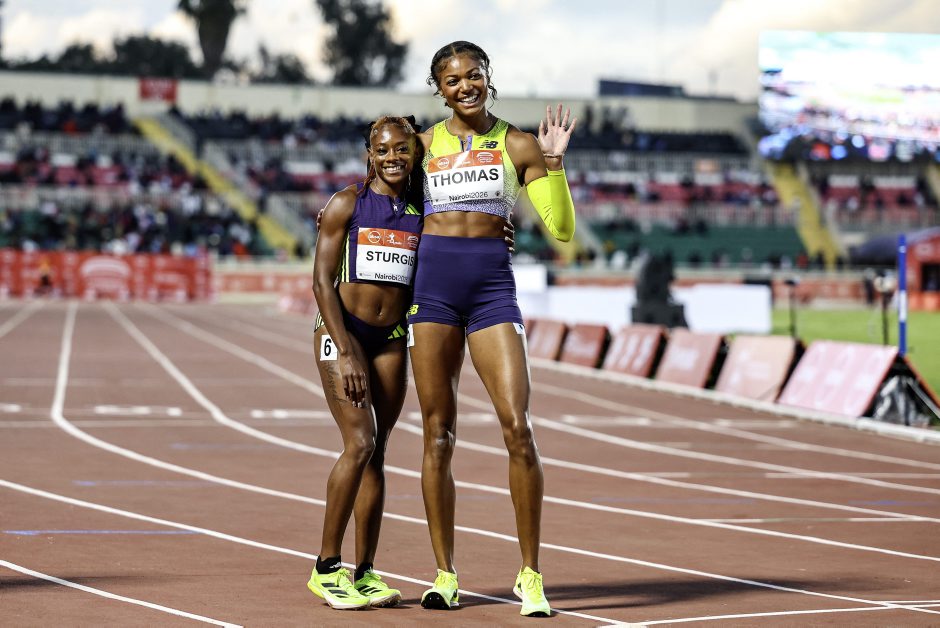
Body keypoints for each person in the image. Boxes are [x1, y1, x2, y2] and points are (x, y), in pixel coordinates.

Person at [408, 41, 576, 617]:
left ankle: (530, 575)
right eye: (452, 80)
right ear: (439, 89)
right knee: (438, 434)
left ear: (487, 77)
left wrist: (555, 164)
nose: (465, 86)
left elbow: (561, 228)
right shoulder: (420, 146)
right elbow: (390, 211)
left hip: (491, 296)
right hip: (431, 296)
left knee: (518, 427)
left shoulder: (519, 144)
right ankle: (444, 574)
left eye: (473, 75)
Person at [306, 115, 424, 610]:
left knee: (377, 453)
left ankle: (366, 572)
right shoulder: (347, 203)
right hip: (343, 333)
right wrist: (347, 349)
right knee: (359, 442)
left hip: (391, 338)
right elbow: (321, 281)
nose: (392, 157)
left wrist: (500, 232)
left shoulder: (423, 208)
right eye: (383, 150)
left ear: (414, 154)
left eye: (401, 149)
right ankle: (325, 568)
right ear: (369, 156)